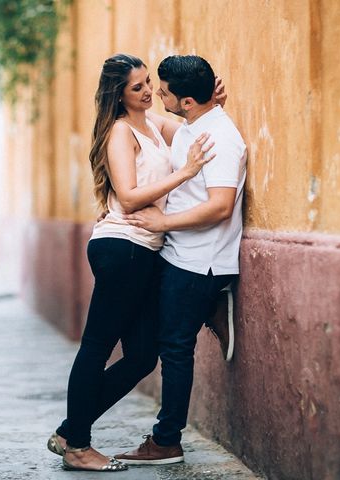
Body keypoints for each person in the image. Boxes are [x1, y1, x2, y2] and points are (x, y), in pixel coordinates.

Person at [46, 53, 223, 472]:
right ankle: (78, 447)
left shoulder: (154, 127)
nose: (148, 92)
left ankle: (72, 430)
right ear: (119, 94)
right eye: (137, 87)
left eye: (148, 83)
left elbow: (188, 125)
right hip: (121, 248)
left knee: (143, 356)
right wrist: (185, 174)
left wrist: (209, 103)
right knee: (96, 348)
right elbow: (127, 196)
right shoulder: (120, 132)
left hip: (145, 252)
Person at [115, 54, 247, 465]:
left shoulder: (220, 139)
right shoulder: (193, 126)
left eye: (165, 92)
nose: (157, 95)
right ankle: (210, 305)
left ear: (186, 101)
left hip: (200, 262)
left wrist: (164, 221)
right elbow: (159, 129)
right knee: (158, 331)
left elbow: (221, 206)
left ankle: (167, 440)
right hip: (179, 254)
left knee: (174, 348)